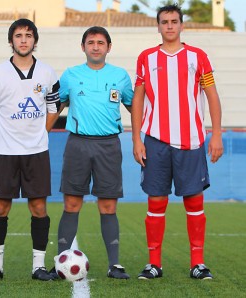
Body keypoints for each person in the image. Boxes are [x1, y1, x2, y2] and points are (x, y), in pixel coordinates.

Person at [131, 4, 223, 280]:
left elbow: (211, 94)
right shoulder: (146, 58)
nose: (169, 26)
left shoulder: (198, 57)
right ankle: (154, 264)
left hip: (191, 140)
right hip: (156, 140)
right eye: (164, 22)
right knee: (156, 201)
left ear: (182, 25)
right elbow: (138, 99)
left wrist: (216, 133)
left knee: (194, 201)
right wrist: (136, 138)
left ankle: (198, 263)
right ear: (158, 27)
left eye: (174, 21)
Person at [0, 18, 60, 281]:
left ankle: (38, 266)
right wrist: (5, 136)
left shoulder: (47, 73)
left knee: (38, 208)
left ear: (35, 40)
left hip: (36, 153)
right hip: (4, 153)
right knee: (0, 208)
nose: (23, 40)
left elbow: (53, 110)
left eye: (28, 35)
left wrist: (37, 134)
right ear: (11, 40)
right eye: (18, 35)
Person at [52, 26, 133, 279]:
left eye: (100, 42)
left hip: (109, 145)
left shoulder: (120, 76)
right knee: (72, 203)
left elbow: (135, 107)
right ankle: (61, 261)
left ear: (109, 47)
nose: (95, 46)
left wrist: (142, 137)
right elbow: (55, 105)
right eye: (90, 42)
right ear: (83, 47)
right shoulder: (70, 75)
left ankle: (114, 265)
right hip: (77, 144)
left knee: (108, 205)